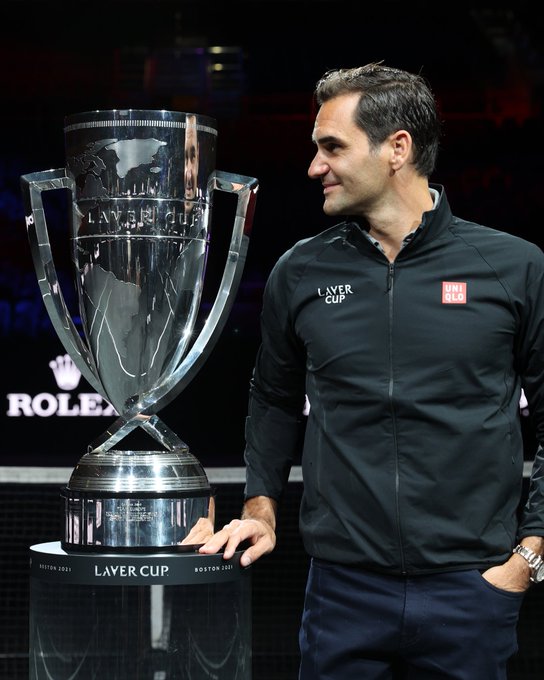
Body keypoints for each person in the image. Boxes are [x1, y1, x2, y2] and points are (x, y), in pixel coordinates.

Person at [200, 62, 544, 679]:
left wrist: (529, 554)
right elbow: (274, 399)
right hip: (343, 594)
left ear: (397, 149)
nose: (314, 167)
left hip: (475, 589)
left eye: (332, 147)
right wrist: (260, 508)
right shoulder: (299, 272)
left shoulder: (514, 267)